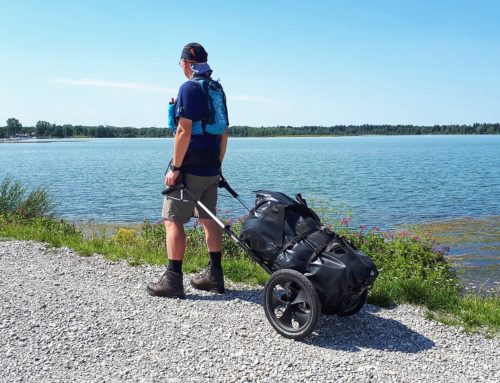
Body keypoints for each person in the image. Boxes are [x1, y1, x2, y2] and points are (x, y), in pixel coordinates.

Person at [147, 42, 229, 299]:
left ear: (185, 63)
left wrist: (176, 167)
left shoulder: (188, 88)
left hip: (190, 168)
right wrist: (219, 165)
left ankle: (173, 281)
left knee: (172, 220)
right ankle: (215, 276)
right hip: (212, 167)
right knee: (209, 219)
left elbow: (183, 130)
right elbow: (224, 131)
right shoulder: (216, 89)